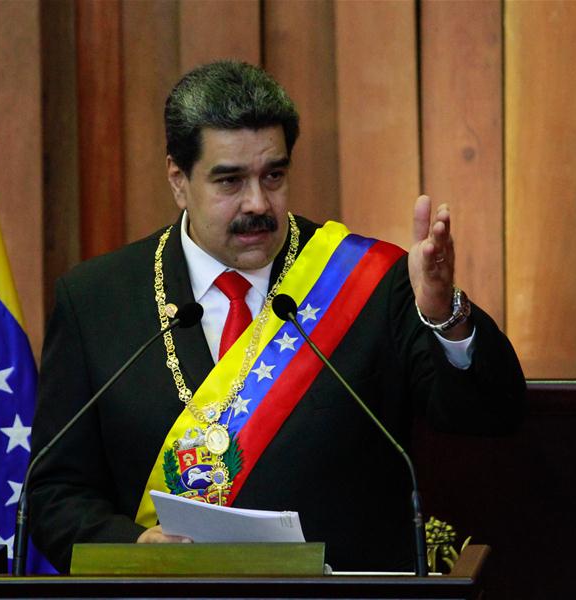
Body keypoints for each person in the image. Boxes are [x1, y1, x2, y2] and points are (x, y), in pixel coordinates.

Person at [28, 61, 525, 573]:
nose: (258, 204)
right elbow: (54, 493)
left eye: (274, 176)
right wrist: (136, 549)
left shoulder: (369, 282)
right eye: (230, 180)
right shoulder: (96, 301)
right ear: (179, 180)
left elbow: (490, 414)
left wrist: (445, 315)